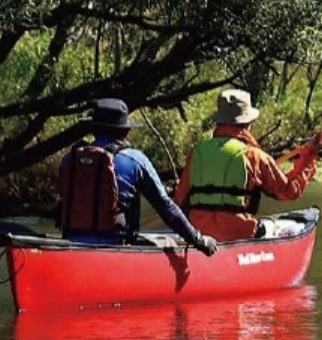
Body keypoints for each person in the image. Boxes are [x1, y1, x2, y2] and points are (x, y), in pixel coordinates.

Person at [59, 98, 218, 256]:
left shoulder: (69, 160)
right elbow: (166, 207)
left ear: (93, 129)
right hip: (115, 249)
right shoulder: (135, 160)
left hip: (70, 247)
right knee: (165, 241)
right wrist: (198, 240)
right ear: (125, 131)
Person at [174, 88, 322, 241]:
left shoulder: (197, 152)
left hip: (197, 233)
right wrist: (310, 155)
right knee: (283, 227)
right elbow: (289, 190)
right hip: (239, 233)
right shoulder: (253, 156)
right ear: (248, 123)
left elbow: (180, 200)